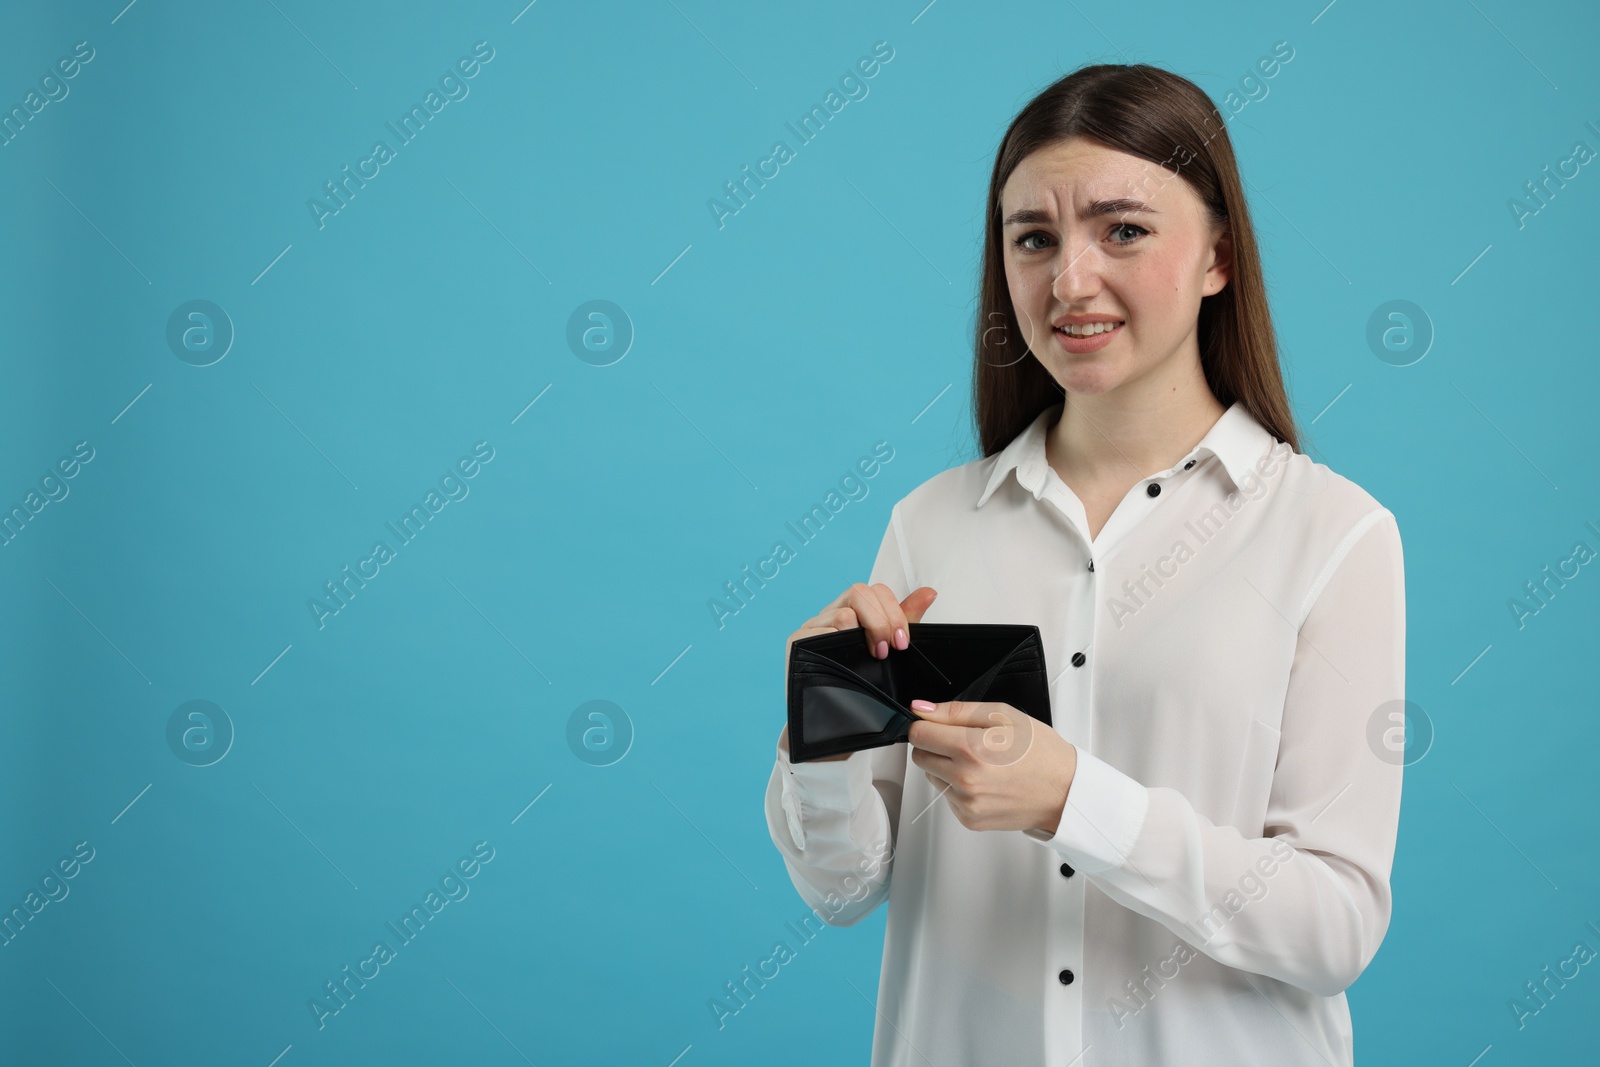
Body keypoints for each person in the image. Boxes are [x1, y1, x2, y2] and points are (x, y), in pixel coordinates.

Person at [764, 62, 1405, 1066]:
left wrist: (1076, 802)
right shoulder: (930, 524)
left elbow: (1333, 926)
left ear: (1218, 257)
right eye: (1033, 239)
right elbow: (843, 889)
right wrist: (823, 720)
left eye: (1124, 230)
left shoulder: (1332, 533)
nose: (1068, 279)